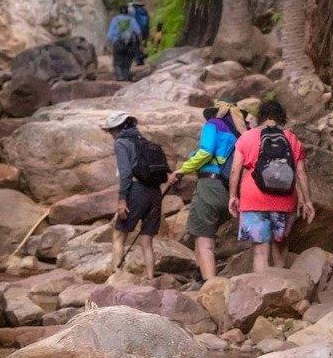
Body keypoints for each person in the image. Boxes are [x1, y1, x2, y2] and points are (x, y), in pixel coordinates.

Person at [229, 99, 314, 271]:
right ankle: (280, 289)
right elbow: (301, 173)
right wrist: (308, 201)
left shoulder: (247, 137)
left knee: (260, 250)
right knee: (280, 247)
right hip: (284, 200)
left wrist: (232, 196)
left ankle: (262, 292)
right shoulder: (291, 138)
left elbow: (235, 169)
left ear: (261, 116)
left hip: (253, 200)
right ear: (281, 117)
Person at [171, 104, 244, 282]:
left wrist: (181, 170)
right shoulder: (240, 132)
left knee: (204, 241)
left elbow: (205, 152)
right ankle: (201, 275)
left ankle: (211, 285)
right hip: (230, 189)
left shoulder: (213, 124)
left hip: (209, 185)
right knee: (206, 238)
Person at [101, 112, 169, 278]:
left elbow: (125, 174)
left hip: (136, 191)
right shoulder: (143, 141)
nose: (111, 135)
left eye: (111, 131)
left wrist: (122, 199)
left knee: (118, 234)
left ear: (117, 129)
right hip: (155, 192)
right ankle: (150, 277)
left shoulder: (121, 143)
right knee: (146, 240)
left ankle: (117, 276)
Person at [107, 6, 141, 82]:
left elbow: (110, 35)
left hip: (118, 43)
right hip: (130, 44)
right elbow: (138, 32)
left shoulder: (115, 19)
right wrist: (140, 44)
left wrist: (108, 46)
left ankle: (120, 78)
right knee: (126, 63)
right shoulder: (132, 19)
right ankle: (125, 79)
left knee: (117, 63)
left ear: (120, 12)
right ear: (127, 12)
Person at [128, 0, 152, 66]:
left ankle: (138, 59)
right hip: (144, 30)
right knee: (140, 44)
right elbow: (147, 22)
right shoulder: (144, 11)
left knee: (135, 45)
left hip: (135, 31)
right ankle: (141, 58)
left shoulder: (131, 10)